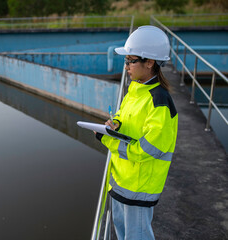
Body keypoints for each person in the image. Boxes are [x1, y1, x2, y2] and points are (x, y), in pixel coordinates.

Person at [95, 25, 178, 240]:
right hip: (122, 181)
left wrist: (108, 141)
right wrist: (116, 125)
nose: (126, 68)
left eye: (130, 61)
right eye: (126, 61)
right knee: (122, 232)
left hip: (138, 187)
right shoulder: (136, 88)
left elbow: (148, 149)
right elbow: (125, 117)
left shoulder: (159, 102)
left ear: (149, 62)